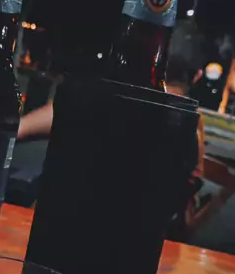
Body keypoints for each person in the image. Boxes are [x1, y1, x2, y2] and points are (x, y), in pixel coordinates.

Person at [17, 53, 205, 240]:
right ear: (196, 77)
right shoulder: (190, 123)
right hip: (145, 235)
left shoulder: (129, 102)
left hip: (76, 225)